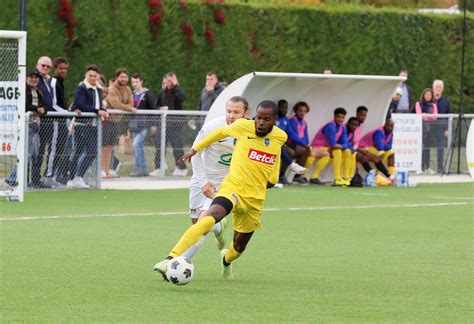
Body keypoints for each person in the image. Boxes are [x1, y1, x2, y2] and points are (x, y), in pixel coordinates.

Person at [154, 100, 287, 280]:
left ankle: (226, 259)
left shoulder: (280, 136)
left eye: (266, 119)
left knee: (239, 247)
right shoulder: (242, 127)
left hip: (254, 199)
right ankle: (170, 258)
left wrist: (273, 177)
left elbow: (275, 152)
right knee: (208, 217)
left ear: (274, 119)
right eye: (259, 118)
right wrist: (194, 150)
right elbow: (219, 133)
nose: (261, 122)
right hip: (232, 187)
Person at [183, 96, 249, 261]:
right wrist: (203, 181)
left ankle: (180, 261)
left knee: (202, 224)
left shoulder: (251, 132)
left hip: (226, 183)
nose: (231, 116)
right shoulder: (212, 127)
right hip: (202, 178)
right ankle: (219, 228)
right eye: (229, 111)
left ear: (246, 113)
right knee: (195, 222)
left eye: (236, 112)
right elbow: (195, 153)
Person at [66, 65, 109, 189]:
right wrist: (97, 111)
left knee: (91, 151)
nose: (92, 78)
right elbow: (80, 104)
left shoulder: (98, 89)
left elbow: (98, 105)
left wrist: (103, 110)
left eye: (95, 76)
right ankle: (72, 178)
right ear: (86, 75)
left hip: (93, 125)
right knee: (82, 151)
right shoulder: (81, 88)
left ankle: (77, 177)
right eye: (90, 75)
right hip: (82, 124)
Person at [6, 70, 46, 187]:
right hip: (27, 125)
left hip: (36, 125)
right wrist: (37, 109)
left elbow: (44, 106)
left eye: (36, 77)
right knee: (26, 153)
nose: (33, 79)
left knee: (34, 155)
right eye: (31, 77)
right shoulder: (23, 90)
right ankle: (13, 177)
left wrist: (43, 110)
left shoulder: (38, 92)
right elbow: (24, 105)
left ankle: (29, 180)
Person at [105, 68, 137, 177]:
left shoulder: (127, 89)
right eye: (121, 77)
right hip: (106, 121)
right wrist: (129, 108)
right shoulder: (112, 88)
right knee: (104, 147)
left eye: (125, 77)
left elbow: (130, 103)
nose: (123, 79)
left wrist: (128, 107)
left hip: (116, 122)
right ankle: (102, 170)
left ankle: (107, 170)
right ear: (117, 77)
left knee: (110, 147)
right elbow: (115, 104)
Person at [305, 107, 349, 186]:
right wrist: (340, 146)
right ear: (334, 117)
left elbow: (346, 143)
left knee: (345, 152)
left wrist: (341, 146)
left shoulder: (343, 127)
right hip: (317, 147)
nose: (340, 119)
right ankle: (337, 178)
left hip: (327, 148)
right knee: (335, 152)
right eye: (338, 117)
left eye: (342, 117)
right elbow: (333, 143)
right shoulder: (330, 126)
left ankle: (346, 177)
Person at [154, 72, 187, 176]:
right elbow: (156, 105)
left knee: (177, 147)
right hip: (164, 124)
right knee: (159, 145)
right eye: (167, 80)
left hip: (175, 125)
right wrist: (160, 109)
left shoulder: (177, 91)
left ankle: (182, 168)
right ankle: (159, 168)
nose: (169, 83)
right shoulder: (162, 92)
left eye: (171, 80)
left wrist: (176, 85)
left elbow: (182, 98)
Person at [45, 57, 69, 187]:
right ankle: (48, 176)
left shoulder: (61, 82)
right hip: (55, 120)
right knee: (54, 149)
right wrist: (67, 114)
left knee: (60, 149)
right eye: (61, 68)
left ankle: (52, 175)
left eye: (65, 68)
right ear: (55, 69)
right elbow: (53, 104)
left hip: (63, 120)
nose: (63, 71)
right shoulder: (53, 82)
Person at [30, 56, 54, 188]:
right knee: (33, 151)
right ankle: (30, 179)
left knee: (41, 151)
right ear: (37, 65)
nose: (45, 68)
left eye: (48, 66)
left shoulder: (47, 80)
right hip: (37, 119)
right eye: (43, 65)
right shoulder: (33, 78)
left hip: (47, 119)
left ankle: (36, 178)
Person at [130, 73, 156, 176]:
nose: (135, 84)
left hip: (144, 125)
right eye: (133, 82)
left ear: (141, 82)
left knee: (136, 144)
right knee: (138, 146)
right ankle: (143, 169)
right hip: (134, 125)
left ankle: (138, 168)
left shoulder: (147, 94)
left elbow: (153, 109)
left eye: (137, 82)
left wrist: (153, 124)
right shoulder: (132, 94)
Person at [275, 99, 306, 184]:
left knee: (291, 152)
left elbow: (291, 134)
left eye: (286, 108)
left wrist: (304, 143)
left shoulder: (285, 119)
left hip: (281, 145)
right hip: (271, 143)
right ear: (277, 108)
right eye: (282, 107)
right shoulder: (273, 117)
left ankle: (281, 175)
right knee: (283, 149)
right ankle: (293, 166)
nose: (284, 110)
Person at [358, 119, 396, 185]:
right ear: (385, 125)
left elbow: (389, 146)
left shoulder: (391, 133)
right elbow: (379, 146)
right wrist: (385, 146)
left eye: (391, 127)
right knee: (379, 154)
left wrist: (385, 146)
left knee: (391, 152)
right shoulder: (379, 131)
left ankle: (392, 175)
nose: (390, 128)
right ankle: (384, 176)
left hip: (375, 148)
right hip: (364, 147)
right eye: (388, 126)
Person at [286, 101, 311, 184]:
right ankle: (296, 176)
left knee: (307, 150)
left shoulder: (304, 123)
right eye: (300, 110)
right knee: (304, 150)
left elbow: (306, 136)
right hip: (291, 144)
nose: (302, 113)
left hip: (299, 145)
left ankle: (297, 176)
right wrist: (304, 144)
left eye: (304, 111)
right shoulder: (292, 121)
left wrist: (306, 144)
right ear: (296, 111)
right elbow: (292, 135)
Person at [415, 88, 438, 174]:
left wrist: (426, 115)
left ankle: (427, 167)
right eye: (426, 94)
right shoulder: (418, 104)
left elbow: (435, 117)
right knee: (420, 148)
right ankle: (420, 167)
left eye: (429, 94)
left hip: (430, 128)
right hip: (420, 128)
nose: (428, 96)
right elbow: (419, 115)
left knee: (428, 148)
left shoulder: (434, 105)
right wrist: (428, 116)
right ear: (423, 95)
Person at [432, 79, 452, 174]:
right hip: (429, 128)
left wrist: (447, 129)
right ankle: (425, 168)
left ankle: (440, 168)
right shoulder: (429, 99)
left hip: (441, 128)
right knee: (425, 148)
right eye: (436, 87)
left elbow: (449, 116)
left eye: (440, 87)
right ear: (433, 88)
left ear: (442, 89)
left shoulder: (446, 101)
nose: (438, 89)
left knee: (440, 148)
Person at [342, 117, 360, 182]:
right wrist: (350, 145)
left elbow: (351, 143)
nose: (354, 127)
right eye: (352, 125)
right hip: (339, 147)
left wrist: (351, 146)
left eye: (356, 125)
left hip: (345, 147)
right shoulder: (344, 129)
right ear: (348, 123)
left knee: (353, 153)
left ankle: (351, 176)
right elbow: (343, 142)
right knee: (348, 152)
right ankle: (346, 176)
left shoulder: (352, 131)